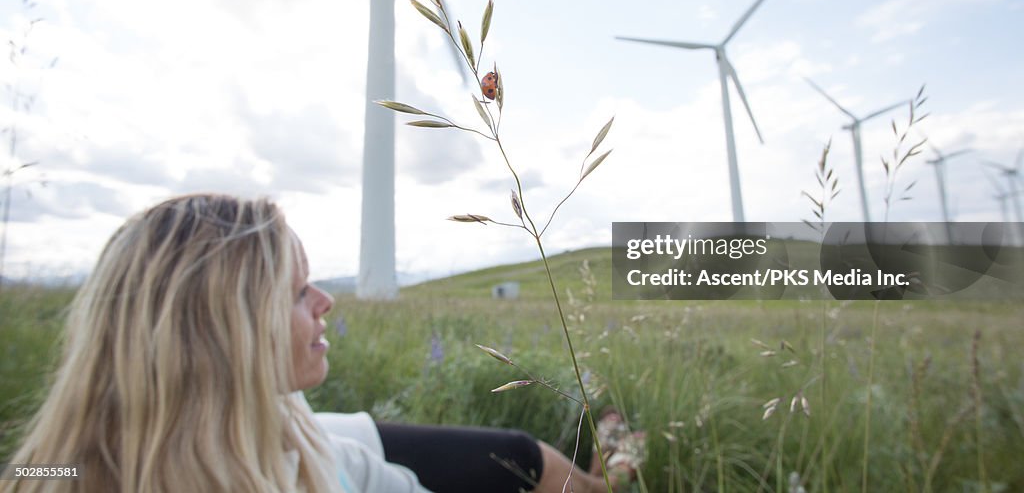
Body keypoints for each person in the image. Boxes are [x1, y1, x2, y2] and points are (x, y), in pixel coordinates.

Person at [0, 194, 640, 492]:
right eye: (297, 290)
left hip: (286, 430)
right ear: (221, 330)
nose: (326, 302)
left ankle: (603, 476)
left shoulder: (307, 449)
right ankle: (614, 468)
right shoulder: (69, 467)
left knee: (521, 453)